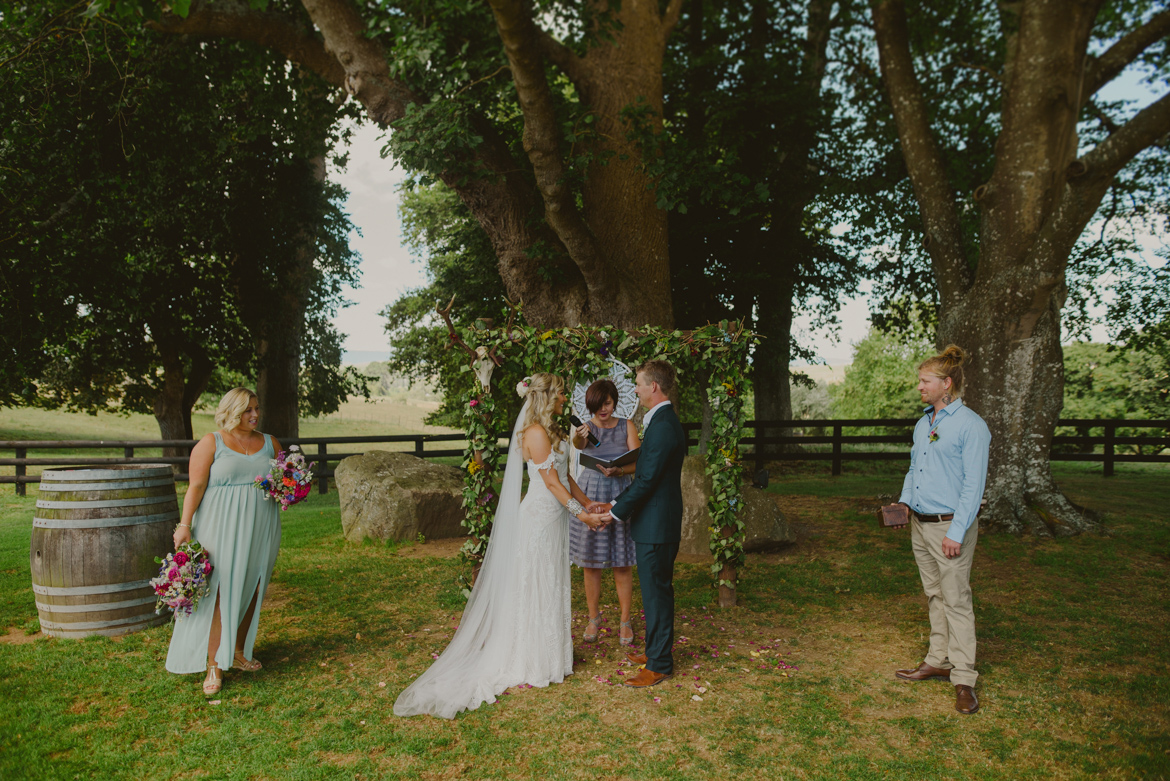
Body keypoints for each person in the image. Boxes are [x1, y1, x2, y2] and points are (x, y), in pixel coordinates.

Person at [394, 373, 611, 719]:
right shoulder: (536, 433)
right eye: (559, 393)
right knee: (536, 583)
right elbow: (551, 483)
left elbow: (568, 476)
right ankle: (531, 658)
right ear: (544, 396)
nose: (563, 398)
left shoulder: (553, 430)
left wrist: (588, 505)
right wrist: (581, 517)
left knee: (551, 581)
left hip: (555, 519)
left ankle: (552, 653)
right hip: (539, 520)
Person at [886, 345, 991, 715]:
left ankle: (964, 677)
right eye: (919, 381)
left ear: (946, 384)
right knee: (934, 594)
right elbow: (915, 469)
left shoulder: (972, 426)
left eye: (925, 381)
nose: (919, 387)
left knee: (957, 600)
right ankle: (938, 659)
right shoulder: (923, 423)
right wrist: (904, 504)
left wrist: (956, 533)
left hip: (950, 526)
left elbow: (972, 488)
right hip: (920, 524)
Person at [167, 388, 282, 696]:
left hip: (262, 527)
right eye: (247, 410)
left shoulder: (270, 443)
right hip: (220, 527)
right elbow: (196, 486)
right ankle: (214, 663)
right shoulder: (211, 443)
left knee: (254, 586)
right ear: (231, 411)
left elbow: (284, 479)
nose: (255, 415)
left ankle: (240, 651)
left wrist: (290, 491)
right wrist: (184, 525)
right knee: (220, 591)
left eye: (256, 409)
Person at [592, 360, 686, 688]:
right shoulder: (660, 421)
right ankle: (654, 650)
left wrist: (612, 514)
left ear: (654, 387)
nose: (635, 388)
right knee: (654, 592)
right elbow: (647, 476)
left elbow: (646, 482)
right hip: (655, 521)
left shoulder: (662, 426)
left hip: (657, 524)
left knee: (657, 594)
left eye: (638, 383)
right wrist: (614, 503)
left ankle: (659, 664)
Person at [570, 379, 642, 646]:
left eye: (608, 403)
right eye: (597, 405)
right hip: (591, 493)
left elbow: (639, 460)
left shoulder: (627, 425)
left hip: (620, 491)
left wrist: (620, 470)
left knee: (622, 560)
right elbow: (578, 447)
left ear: (615, 401)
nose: (603, 409)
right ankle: (593, 618)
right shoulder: (585, 428)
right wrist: (580, 435)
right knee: (591, 561)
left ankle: (625, 620)